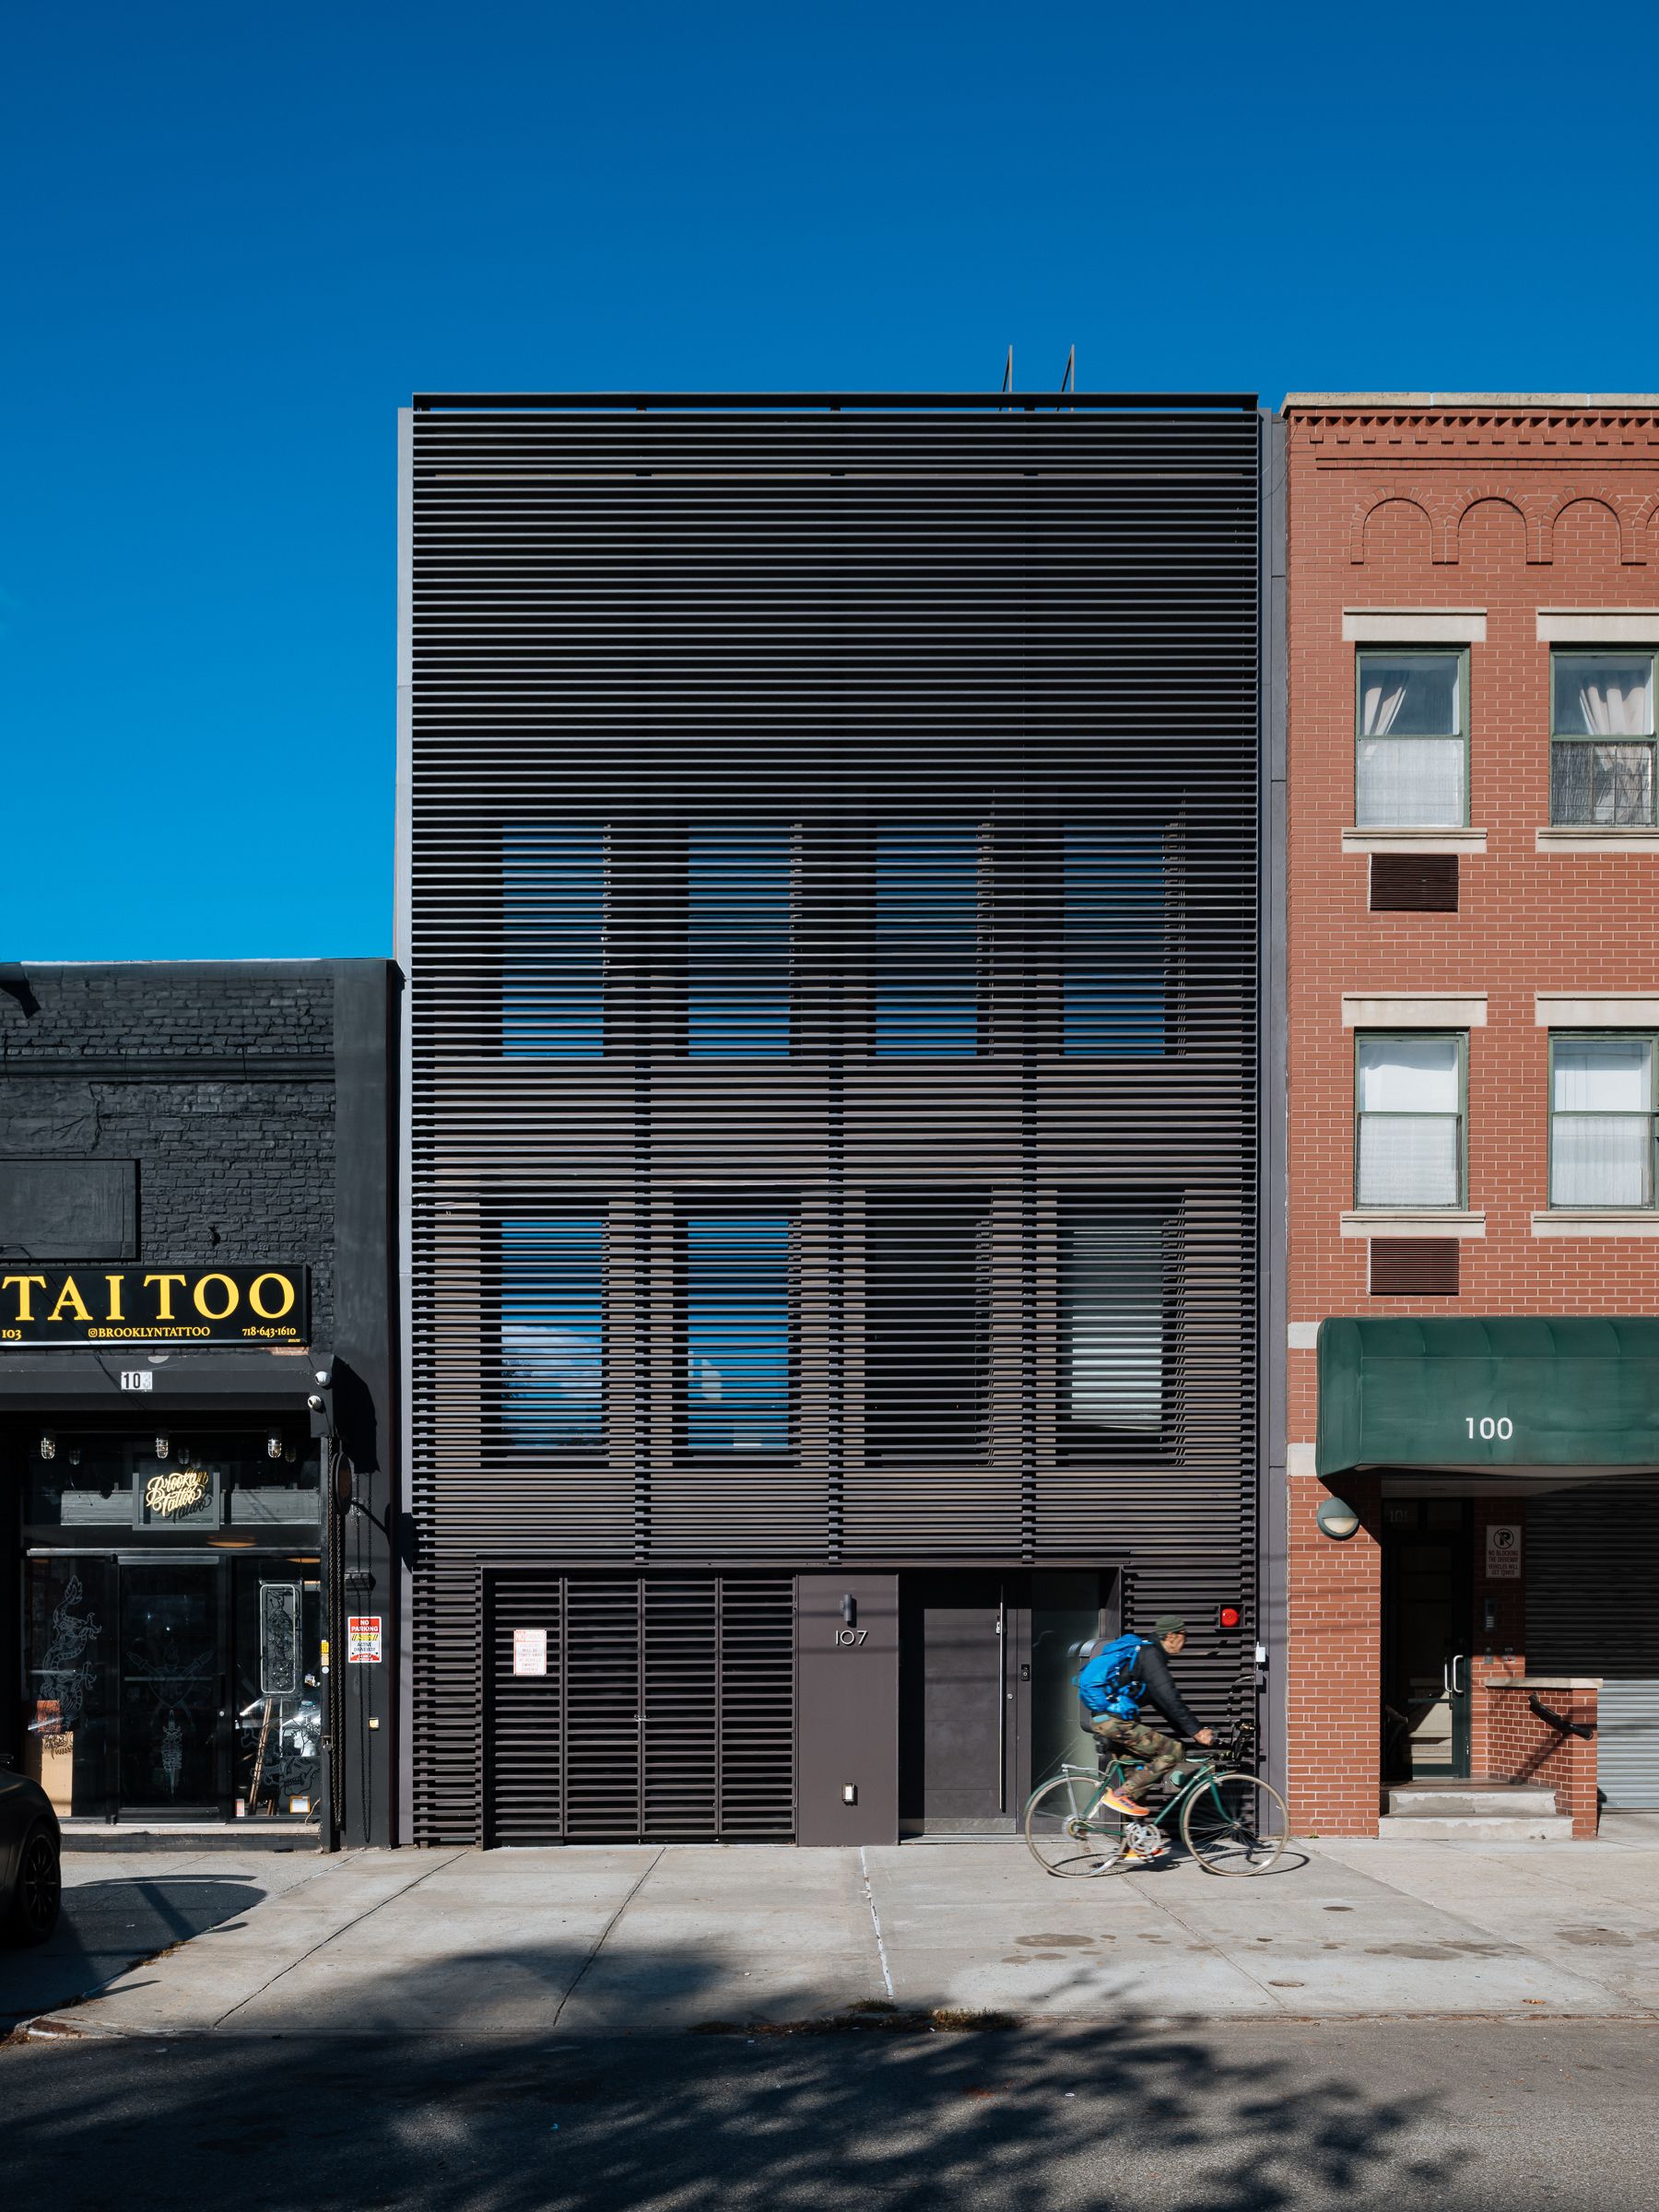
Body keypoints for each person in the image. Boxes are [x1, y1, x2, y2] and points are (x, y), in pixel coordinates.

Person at [1076, 1615, 1214, 1819]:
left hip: (1108, 1721)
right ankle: (1120, 1795)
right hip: (1116, 1722)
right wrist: (1197, 1731)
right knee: (1173, 1751)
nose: (1185, 1642)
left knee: (1138, 1782)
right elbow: (1170, 1697)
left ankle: (1135, 1838)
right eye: (1184, 1636)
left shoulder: (1145, 1655)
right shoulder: (1151, 1655)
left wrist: (1189, 1733)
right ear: (1171, 1635)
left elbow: (1164, 1706)